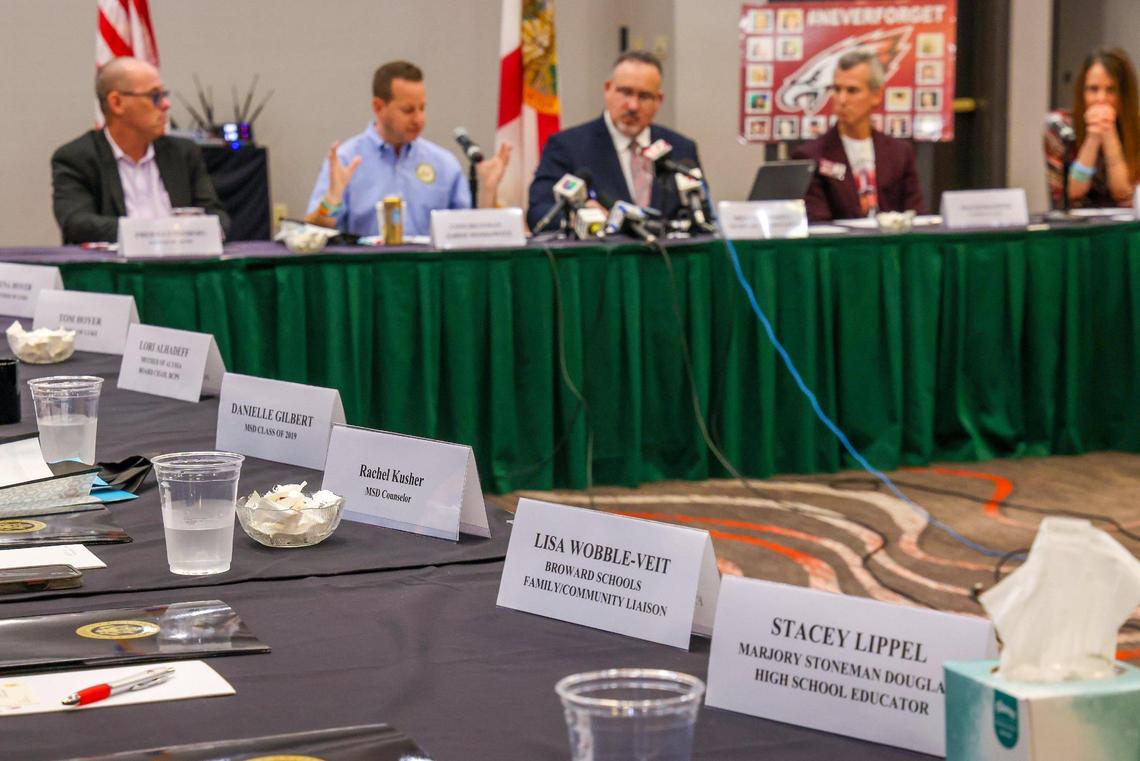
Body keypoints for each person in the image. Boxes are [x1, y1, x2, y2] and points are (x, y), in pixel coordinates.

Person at [306, 60, 510, 238]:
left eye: (422, 108)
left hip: (428, 277)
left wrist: (488, 191)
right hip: (368, 276)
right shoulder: (346, 159)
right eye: (408, 110)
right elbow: (314, 232)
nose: (419, 119)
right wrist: (331, 201)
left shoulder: (444, 164)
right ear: (378, 107)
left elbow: (468, 236)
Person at [51, 57, 230, 245]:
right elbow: (77, 224)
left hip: (181, 268)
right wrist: (154, 235)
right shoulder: (77, 158)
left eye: (164, 94)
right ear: (116, 103)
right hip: (117, 271)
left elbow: (217, 216)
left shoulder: (183, 153)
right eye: (155, 96)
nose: (166, 104)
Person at [526, 50, 701, 230]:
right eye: (625, 92)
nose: (633, 106)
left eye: (644, 96)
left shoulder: (681, 149)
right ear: (607, 89)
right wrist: (578, 217)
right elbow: (539, 213)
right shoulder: (567, 146)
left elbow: (703, 218)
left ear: (659, 100)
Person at [792, 50, 924, 221]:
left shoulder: (900, 153)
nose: (842, 99)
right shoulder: (811, 156)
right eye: (837, 89)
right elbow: (818, 223)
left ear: (876, 95)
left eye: (852, 90)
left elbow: (916, 215)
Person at [1044, 47, 1140, 209]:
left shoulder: (1136, 128)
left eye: (1111, 90)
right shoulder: (1059, 126)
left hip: (1126, 230)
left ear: (1124, 94)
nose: (1101, 99)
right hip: (1076, 230)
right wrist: (1093, 139)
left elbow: (1126, 197)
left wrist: (1110, 137)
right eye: (1093, 89)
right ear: (1082, 92)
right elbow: (1070, 196)